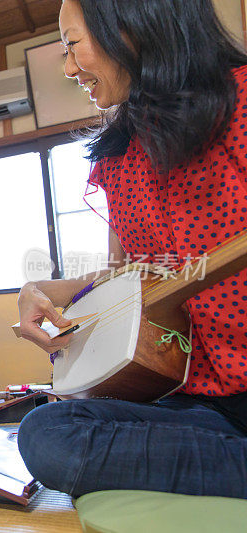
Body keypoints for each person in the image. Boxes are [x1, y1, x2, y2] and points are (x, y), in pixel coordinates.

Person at [16, 0, 247, 498]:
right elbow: (122, 278)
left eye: (73, 45)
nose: (68, 67)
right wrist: (36, 289)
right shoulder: (119, 159)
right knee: (47, 433)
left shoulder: (241, 103)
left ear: (132, 27)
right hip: (205, 403)